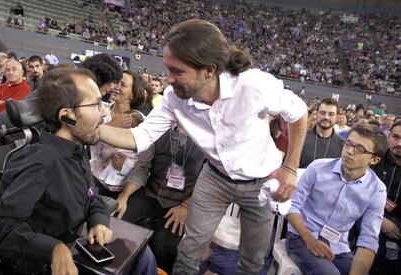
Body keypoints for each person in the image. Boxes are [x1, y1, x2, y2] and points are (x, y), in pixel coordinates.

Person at [99, 19, 308, 274]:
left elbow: (298, 115)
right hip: (214, 178)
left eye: (177, 71)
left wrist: (290, 168)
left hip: (259, 183)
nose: (169, 79)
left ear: (209, 71)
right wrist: (92, 129)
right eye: (168, 69)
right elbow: (139, 137)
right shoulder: (173, 98)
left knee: (252, 260)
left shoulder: (254, 86)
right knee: (188, 252)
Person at [0, 67, 157, 274]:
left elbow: (92, 196)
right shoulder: (41, 161)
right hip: (41, 263)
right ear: (67, 116)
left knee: (143, 254)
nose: (103, 112)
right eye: (95, 104)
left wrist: (98, 221)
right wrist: (55, 250)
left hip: (74, 244)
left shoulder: (77, 150)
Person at [286, 124, 388, 275]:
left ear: (374, 159)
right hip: (301, 236)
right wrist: (310, 240)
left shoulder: (377, 190)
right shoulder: (317, 168)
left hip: (338, 246)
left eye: (359, 149)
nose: (349, 151)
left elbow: (368, 239)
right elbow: (292, 206)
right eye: (348, 143)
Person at [119, 124, 205, 273]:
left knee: (162, 248)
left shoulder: (210, 136)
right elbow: (142, 168)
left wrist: (186, 206)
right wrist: (124, 196)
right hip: (151, 193)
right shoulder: (158, 127)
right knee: (120, 222)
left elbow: (207, 182)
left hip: (182, 202)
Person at [370, 121, 401, 274]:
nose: (399, 143)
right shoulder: (374, 160)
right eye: (396, 137)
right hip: (368, 227)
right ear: (388, 136)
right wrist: (380, 220)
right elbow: (357, 195)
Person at [299, 98, 344, 168]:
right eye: (322, 113)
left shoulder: (342, 144)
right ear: (316, 114)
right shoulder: (300, 137)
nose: (326, 117)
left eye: (331, 114)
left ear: (337, 118)